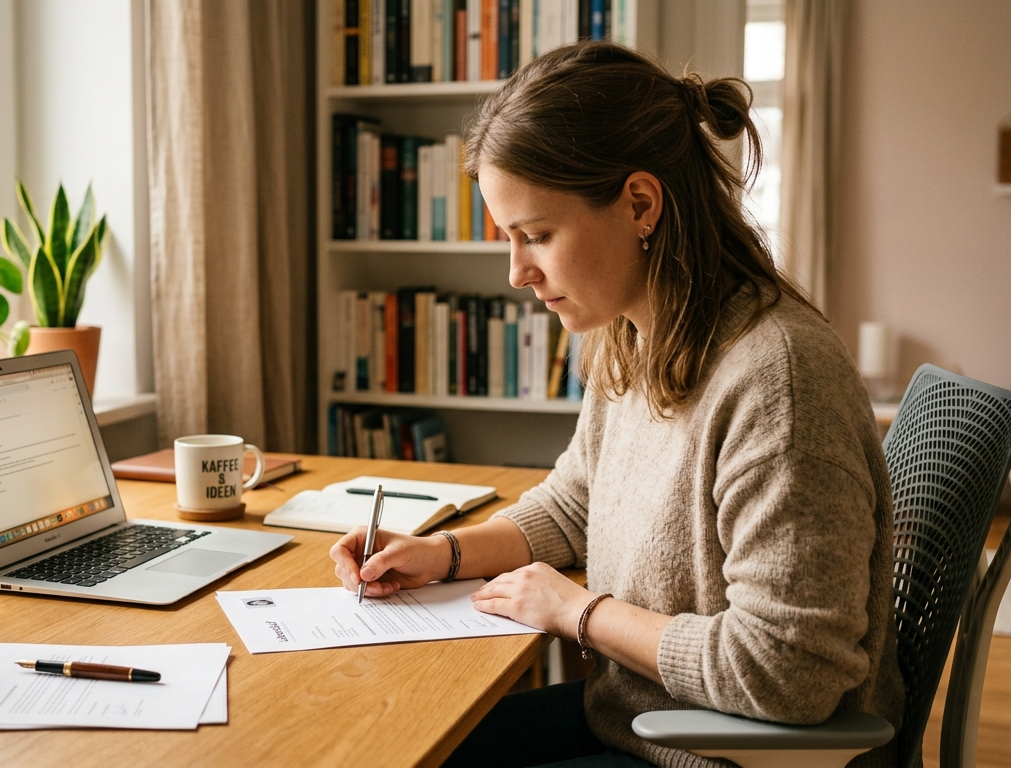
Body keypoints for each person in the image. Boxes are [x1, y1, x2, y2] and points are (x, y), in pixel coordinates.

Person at [329, 41, 904, 768]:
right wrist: (442, 555)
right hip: (641, 717)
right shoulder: (631, 334)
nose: (516, 272)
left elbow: (789, 671)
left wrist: (578, 614)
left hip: (722, 752)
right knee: (394, 745)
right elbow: (578, 502)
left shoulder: (777, 380)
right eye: (510, 239)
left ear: (639, 203)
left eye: (536, 235)